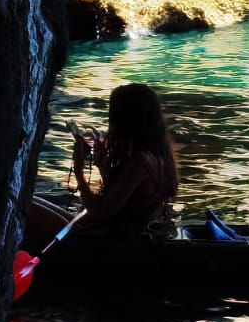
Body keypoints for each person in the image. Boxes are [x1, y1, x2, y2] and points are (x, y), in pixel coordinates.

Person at [24, 82, 179, 245]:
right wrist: (103, 166)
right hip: (106, 229)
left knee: (24, 206)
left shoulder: (140, 162)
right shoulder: (156, 157)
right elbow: (118, 202)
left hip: (102, 240)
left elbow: (98, 212)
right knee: (27, 198)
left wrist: (79, 172)